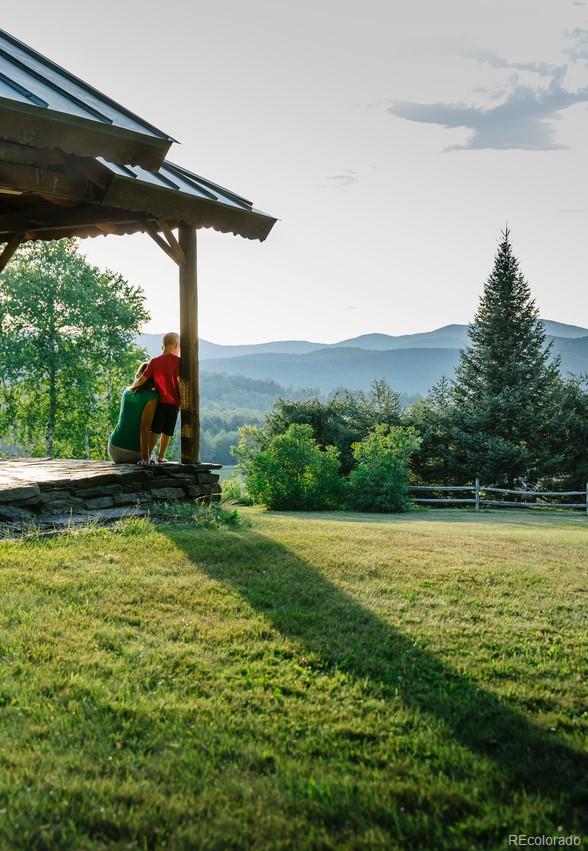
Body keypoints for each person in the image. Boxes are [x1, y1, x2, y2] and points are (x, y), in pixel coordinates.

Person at [131, 331, 181, 463]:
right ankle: (161, 456)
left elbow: (143, 379)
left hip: (160, 401)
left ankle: (147, 455)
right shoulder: (178, 362)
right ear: (177, 346)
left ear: (162, 346)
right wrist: (182, 401)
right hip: (174, 403)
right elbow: (180, 383)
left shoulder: (154, 362)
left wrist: (133, 387)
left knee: (156, 430)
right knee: (168, 432)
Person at [108, 363, 159, 464]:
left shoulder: (127, 391)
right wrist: (145, 458)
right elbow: (145, 428)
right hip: (133, 453)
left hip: (113, 448)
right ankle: (151, 456)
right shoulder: (152, 396)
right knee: (158, 425)